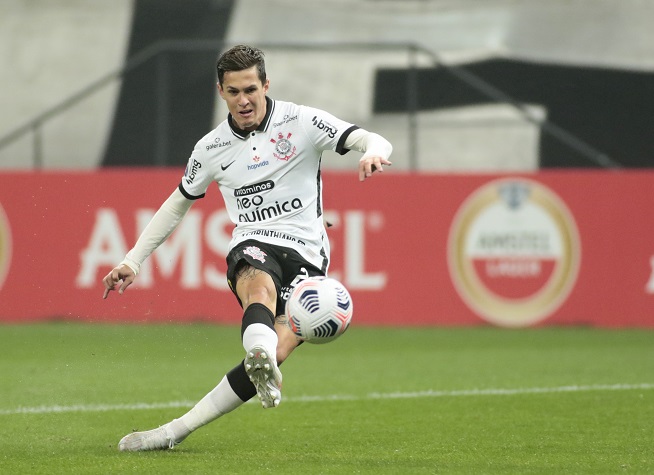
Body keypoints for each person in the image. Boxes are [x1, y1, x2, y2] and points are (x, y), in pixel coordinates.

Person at [102, 44, 393, 451]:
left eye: (251, 89)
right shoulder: (210, 148)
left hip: (309, 254)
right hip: (255, 240)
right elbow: (177, 203)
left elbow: (368, 137)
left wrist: (375, 153)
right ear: (221, 91)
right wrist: (133, 260)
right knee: (258, 287)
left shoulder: (301, 121)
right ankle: (236, 377)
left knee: (281, 347)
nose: (244, 100)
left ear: (266, 85)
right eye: (234, 91)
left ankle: (196, 414)